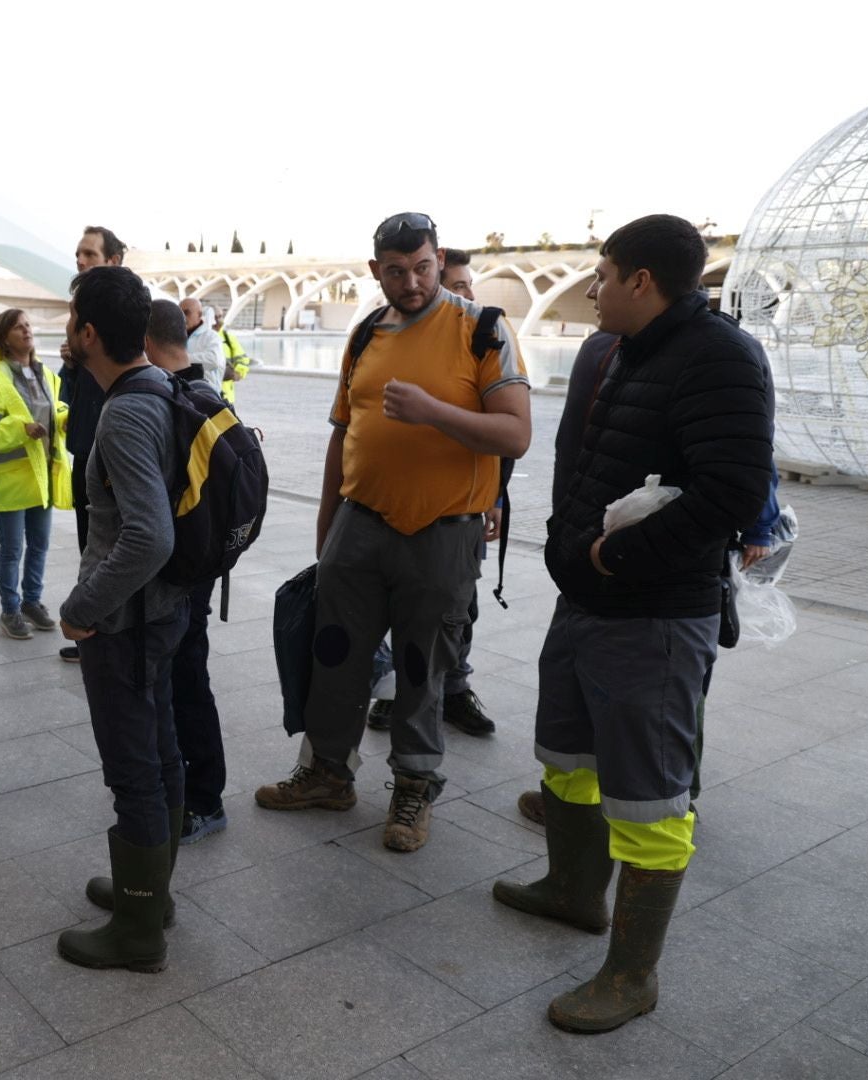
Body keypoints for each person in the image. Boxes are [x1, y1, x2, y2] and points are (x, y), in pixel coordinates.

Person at [492, 215, 773, 1035]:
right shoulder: (629, 350)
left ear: (642, 280)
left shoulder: (718, 355)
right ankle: (575, 892)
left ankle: (632, 974)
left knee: (651, 802)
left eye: (605, 274)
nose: (593, 289)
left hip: (651, 617)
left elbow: (731, 491)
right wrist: (570, 553)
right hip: (589, 604)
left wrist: (617, 559)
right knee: (570, 761)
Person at [253, 212, 531, 854]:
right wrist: (328, 525)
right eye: (398, 271)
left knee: (420, 665)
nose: (412, 283)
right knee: (337, 658)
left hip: (442, 531)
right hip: (361, 522)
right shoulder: (364, 334)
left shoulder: (482, 329)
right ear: (377, 270)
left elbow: (516, 433)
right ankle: (327, 772)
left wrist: (433, 412)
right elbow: (342, 433)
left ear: (439, 262)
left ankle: (413, 785)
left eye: (424, 268)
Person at [55, 265, 188, 973]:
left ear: (89, 333)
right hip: (161, 615)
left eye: (73, 323)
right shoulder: (158, 387)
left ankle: (138, 933)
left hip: (128, 624)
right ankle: (151, 893)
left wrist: (82, 608)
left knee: (134, 772)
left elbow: (149, 536)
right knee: (161, 753)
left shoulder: (127, 410)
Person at [366, 247, 501, 738]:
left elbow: (505, 432)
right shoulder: (383, 334)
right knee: (397, 612)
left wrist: (497, 498)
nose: (458, 294)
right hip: (388, 515)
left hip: (458, 513)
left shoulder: (483, 334)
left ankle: (454, 689)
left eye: (465, 286)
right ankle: (395, 688)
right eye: (454, 285)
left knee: (455, 611)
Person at [140, 300, 229, 843]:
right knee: (188, 678)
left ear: (147, 342)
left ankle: (204, 799)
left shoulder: (172, 405)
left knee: (187, 682)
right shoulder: (207, 396)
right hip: (201, 567)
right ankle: (196, 792)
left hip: (180, 576)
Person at [0, 308, 71, 639]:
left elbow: (54, 406)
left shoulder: (45, 374)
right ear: (4, 337)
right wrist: (20, 429)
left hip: (42, 476)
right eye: (18, 327)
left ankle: (32, 601)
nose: (26, 331)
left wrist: (63, 418)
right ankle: (10, 609)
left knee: (40, 545)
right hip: (12, 481)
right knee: (13, 549)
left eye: (28, 325)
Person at [56, 225, 127, 663]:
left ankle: (109, 632)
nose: (80, 260)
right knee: (90, 542)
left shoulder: (126, 312)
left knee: (112, 541)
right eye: (78, 254)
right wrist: (73, 360)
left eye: (89, 253)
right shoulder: (85, 310)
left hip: (114, 446)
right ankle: (92, 628)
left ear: (114, 260)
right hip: (85, 445)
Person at [180, 297, 226, 393]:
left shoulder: (211, 336)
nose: (182, 317)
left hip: (207, 397)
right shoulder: (176, 336)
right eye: (179, 313)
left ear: (199, 314)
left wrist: (180, 359)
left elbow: (213, 360)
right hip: (183, 396)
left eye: (186, 312)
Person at [213, 307, 251, 409]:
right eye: (214, 317)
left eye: (220, 316)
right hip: (206, 394)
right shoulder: (199, 338)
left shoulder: (228, 338)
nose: (217, 320)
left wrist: (237, 373)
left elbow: (242, 359)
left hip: (226, 397)